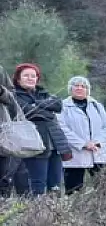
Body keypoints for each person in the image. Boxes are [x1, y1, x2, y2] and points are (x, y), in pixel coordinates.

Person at [11, 63, 70, 195]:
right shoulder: (14, 95)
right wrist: (47, 110)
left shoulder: (43, 93)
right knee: (37, 184)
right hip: (34, 145)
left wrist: (36, 104)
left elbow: (58, 105)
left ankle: (54, 214)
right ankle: (36, 214)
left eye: (34, 76)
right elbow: (29, 113)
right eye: (26, 75)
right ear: (18, 79)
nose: (30, 78)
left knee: (55, 186)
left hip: (55, 145)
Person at [57, 76, 106, 194]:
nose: (79, 88)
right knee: (73, 191)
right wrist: (83, 144)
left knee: (105, 191)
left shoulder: (97, 106)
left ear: (87, 89)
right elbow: (62, 128)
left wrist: (97, 142)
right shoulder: (62, 106)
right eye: (76, 86)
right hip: (75, 154)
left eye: (83, 86)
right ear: (70, 89)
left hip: (99, 152)